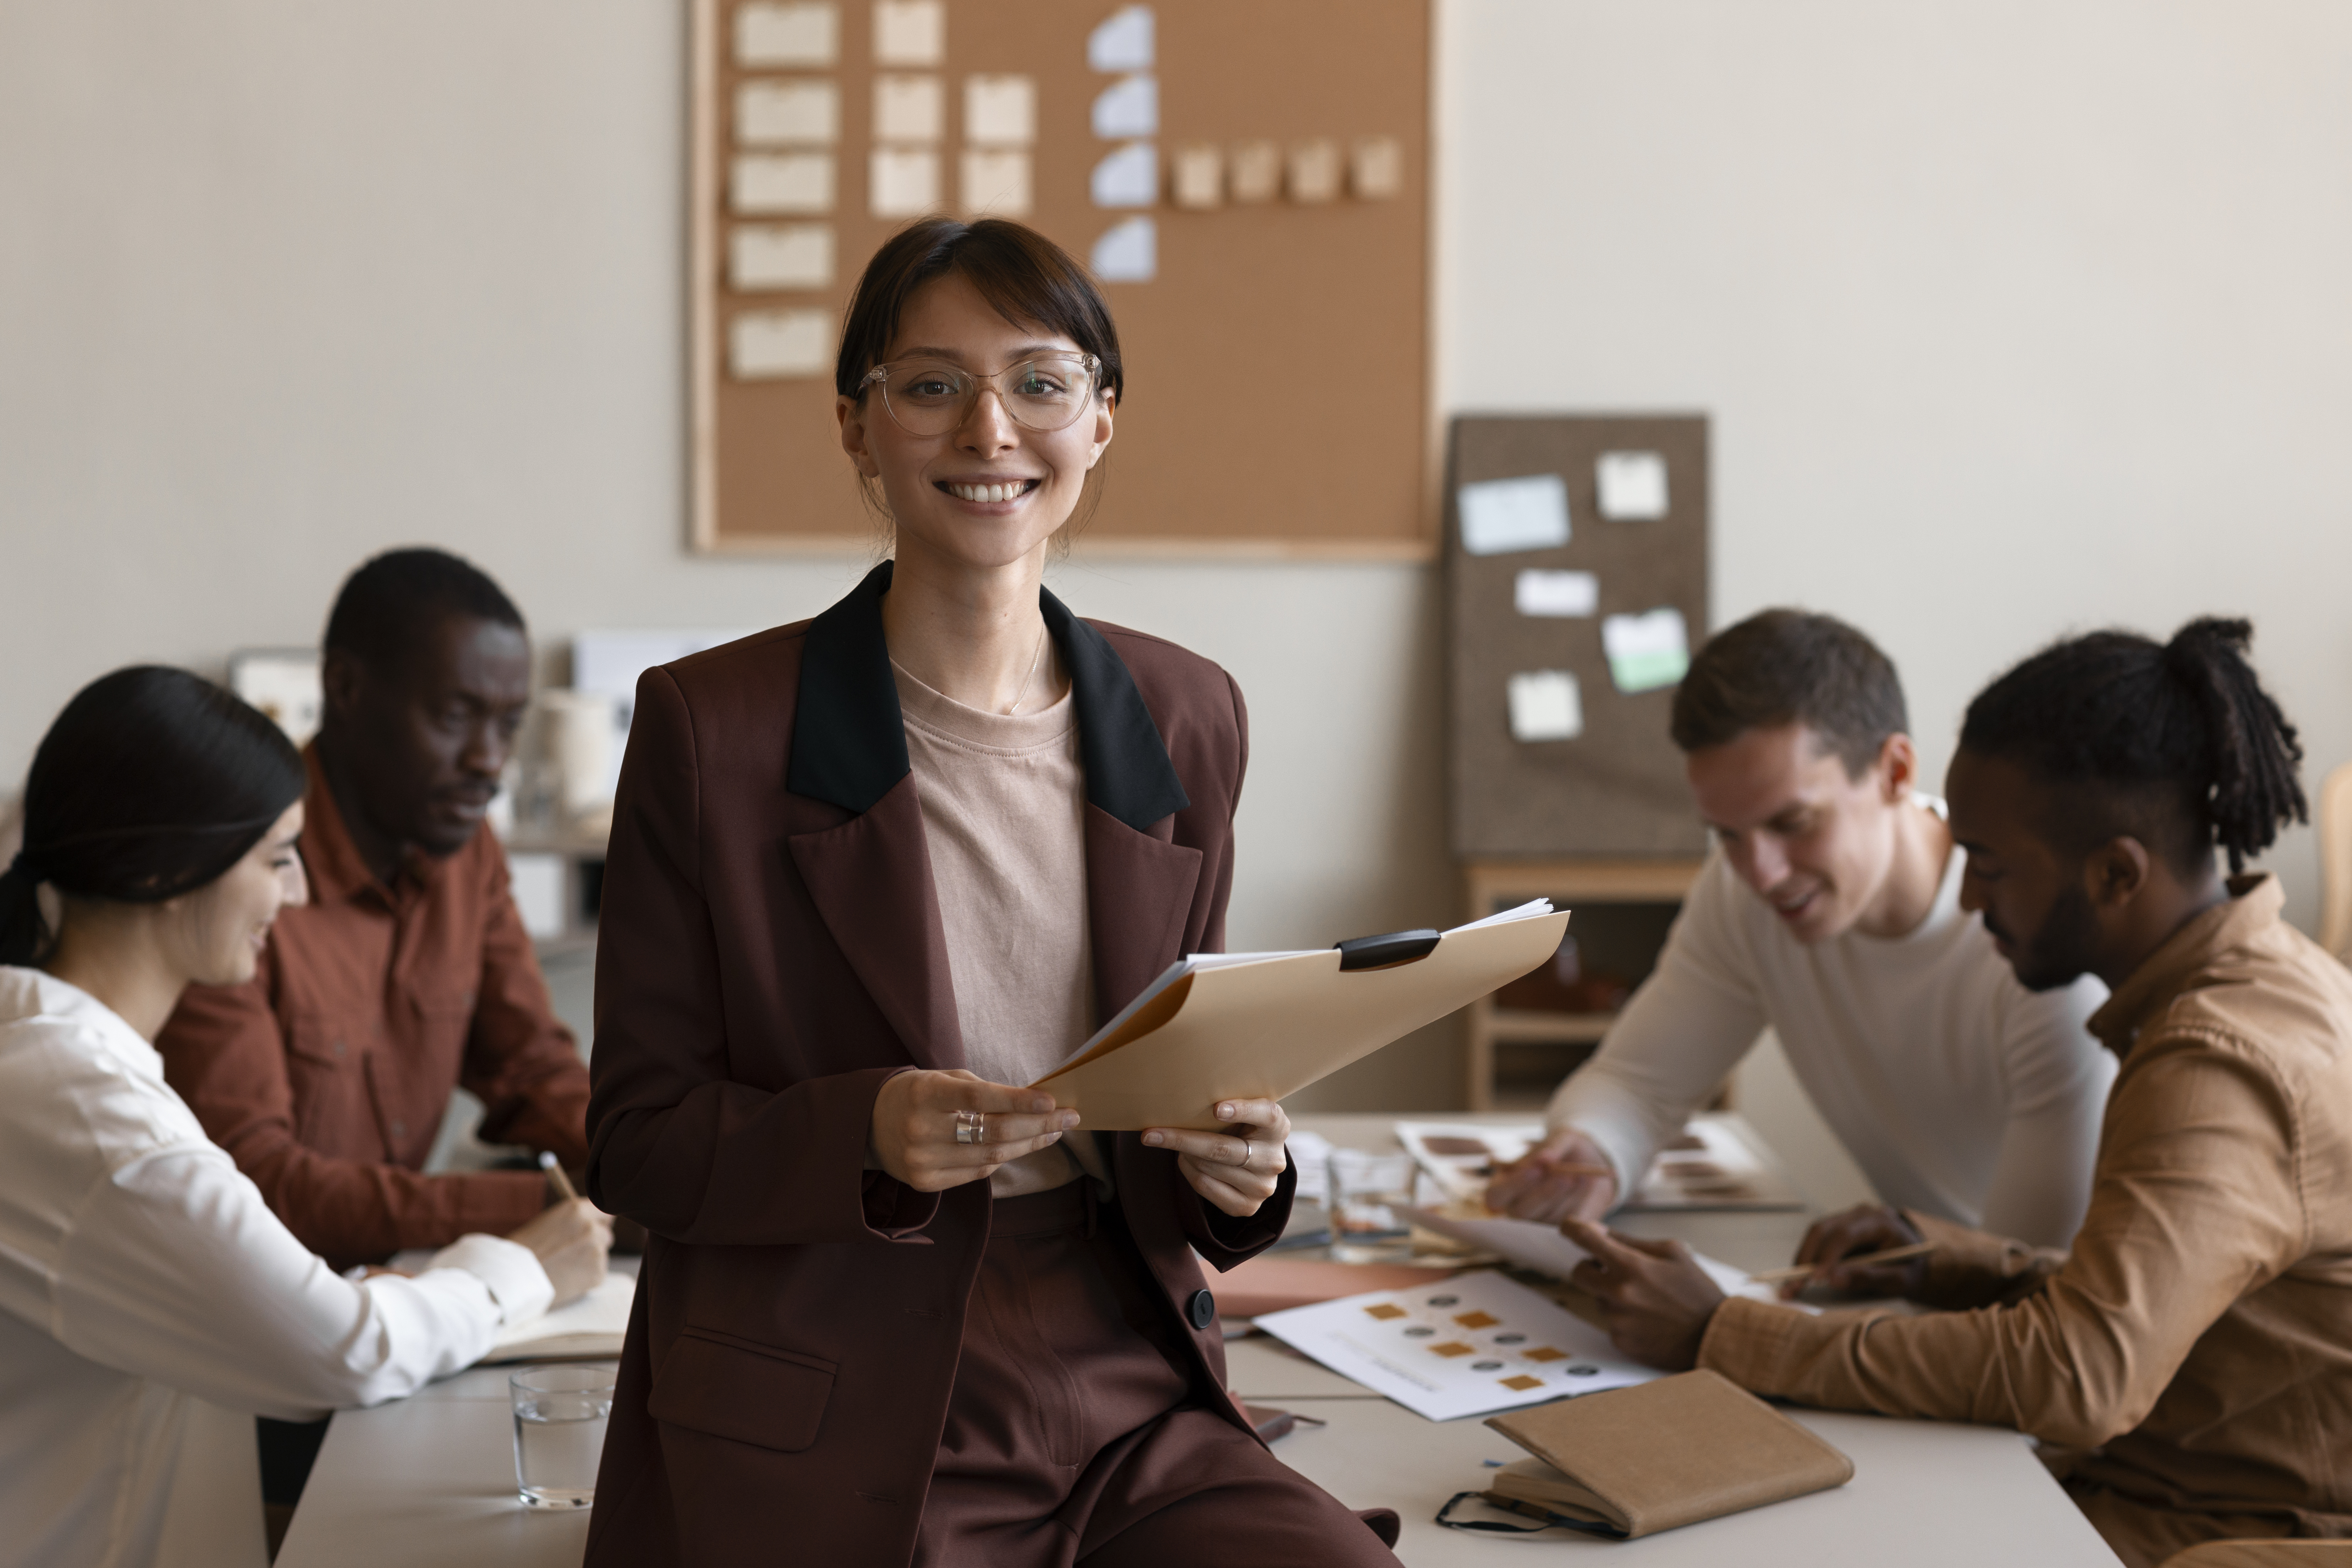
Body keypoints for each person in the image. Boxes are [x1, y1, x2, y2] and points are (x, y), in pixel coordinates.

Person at [581, 218, 1399, 1568]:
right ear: (857, 427)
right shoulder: (711, 728)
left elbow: (1182, 1071)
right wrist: (867, 1129)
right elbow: (635, 1141)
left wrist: (1243, 1171)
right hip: (843, 1360)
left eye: (1039, 381)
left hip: (1123, 1356)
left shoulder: (1185, 715)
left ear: (1101, 420)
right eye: (929, 385)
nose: (989, 428)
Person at [1556, 618, 2352, 1568]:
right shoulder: (2254, 981)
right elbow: (2171, 1301)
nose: (1969, 901)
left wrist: (1724, 1332)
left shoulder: (2216, 1062)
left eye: (1992, 866)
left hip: (2220, 1529)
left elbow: (2080, 1376)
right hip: (2153, 1479)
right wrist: (1963, 1260)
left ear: (2115, 874)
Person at [0, 666, 610, 1568]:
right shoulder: (89, 1117)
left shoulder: (49, 1059)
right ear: (170, 868)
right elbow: (345, 1352)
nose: (293, 897)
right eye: (278, 858)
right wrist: (522, 1265)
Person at [1488, 609, 2113, 1253]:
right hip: (1924, 1293)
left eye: (1794, 823)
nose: (1762, 873)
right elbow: (1639, 1083)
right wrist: (1591, 1153)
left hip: (2020, 1324)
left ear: (1895, 772)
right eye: (1728, 834)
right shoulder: (1742, 897)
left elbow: (2026, 1278)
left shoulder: (2041, 956)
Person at [159, 548, 597, 1272]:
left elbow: (530, 1069)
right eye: (458, 716)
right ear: (346, 688)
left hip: (397, 1298)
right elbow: (257, 1186)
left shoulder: (467, 853)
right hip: (254, 1317)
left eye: (508, 724)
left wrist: (650, 1173)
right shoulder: (238, 876)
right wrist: (548, 1207)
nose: (490, 760)